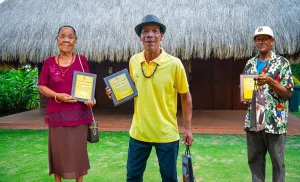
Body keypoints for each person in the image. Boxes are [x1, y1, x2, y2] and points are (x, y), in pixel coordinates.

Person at [106, 14, 194, 182]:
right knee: (133, 177)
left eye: (155, 31)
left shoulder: (174, 64)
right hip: (139, 132)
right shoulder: (134, 61)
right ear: (140, 37)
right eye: (145, 31)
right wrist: (114, 92)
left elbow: (185, 95)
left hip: (166, 133)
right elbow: (131, 87)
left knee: (169, 178)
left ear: (161, 36)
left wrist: (188, 129)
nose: (150, 35)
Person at [38, 25, 96, 182]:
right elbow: (41, 85)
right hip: (56, 116)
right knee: (58, 153)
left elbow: (88, 87)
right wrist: (57, 95)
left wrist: (91, 99)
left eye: (70, 37)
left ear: (75, 41)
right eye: (63, 36)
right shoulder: (49, 62)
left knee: (78, 153)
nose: (66, 40)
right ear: (57, 40)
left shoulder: (81, 61)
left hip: (79, 115)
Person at [243, 26, 294, 182]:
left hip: (275, 119)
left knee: (278, 162)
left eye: (265, 39)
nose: (261, 42)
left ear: (272, 41)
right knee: (255, 160)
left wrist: (271, 81)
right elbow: (246, 94)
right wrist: (245, 96)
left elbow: (288, 93)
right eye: (258, 39)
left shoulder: (282, 63)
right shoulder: (250, 64)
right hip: (255, 116)